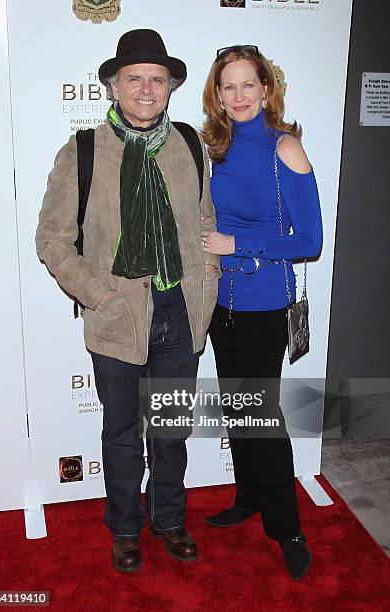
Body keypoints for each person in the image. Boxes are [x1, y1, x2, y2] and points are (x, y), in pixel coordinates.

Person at [36, 29, 219, 573]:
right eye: (134, 78)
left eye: (157, 79)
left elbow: (204, 221)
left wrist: (207, 280)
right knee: (120, 433)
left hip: (180, 313)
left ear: (170, 88)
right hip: (118, 313)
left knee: (170, 431)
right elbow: (53, 240)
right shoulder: (84, 150)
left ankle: (169, 521)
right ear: (114, 86)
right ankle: (124, 529)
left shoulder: (189, 144)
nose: (146, 88)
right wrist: (101, 295)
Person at [201, 45, 322, 579]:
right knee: (239, 411)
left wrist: (237, 244)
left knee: (263, 418)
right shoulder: (217, 148)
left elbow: (309, 240)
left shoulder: (286, 148)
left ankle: (289, 529)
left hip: (263, 303)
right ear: (217, 95)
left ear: (267, 90)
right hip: (218, 304)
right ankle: (248, 496)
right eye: (228, 87)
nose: (239, 96)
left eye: (248, 84)